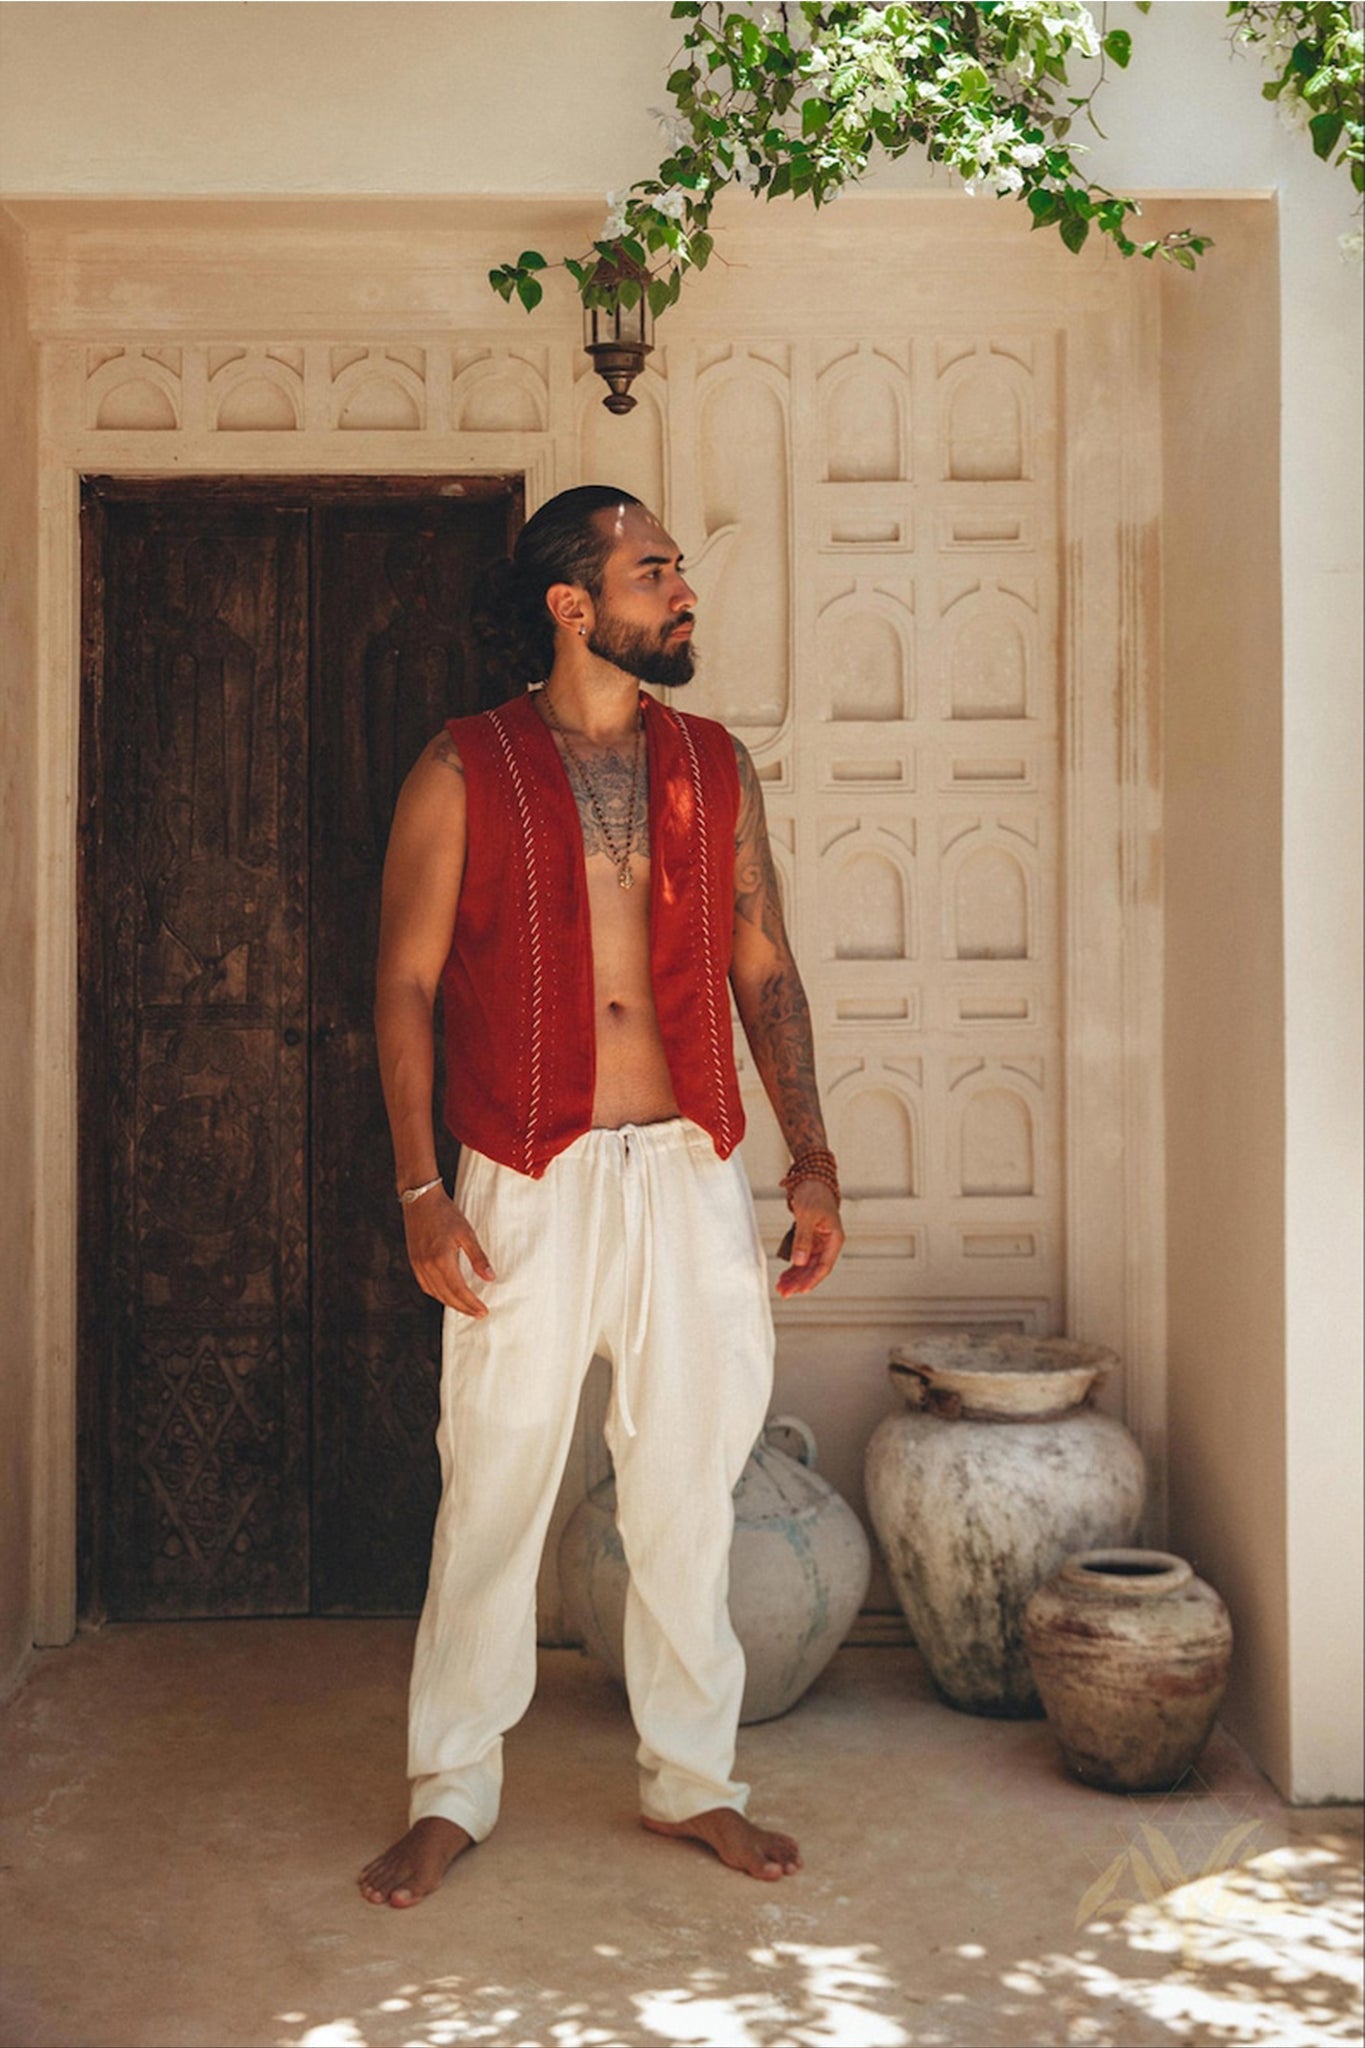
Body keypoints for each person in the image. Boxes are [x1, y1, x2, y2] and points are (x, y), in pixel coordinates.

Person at [359, 485, 844, 1909]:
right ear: (574, 606)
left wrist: (806, 1159)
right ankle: (450, 1789)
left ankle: (692, 1784)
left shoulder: (712, 762)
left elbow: (764, 965)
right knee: (496, 1488)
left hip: (691, 1169)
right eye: (653, 573)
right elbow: (401, 982)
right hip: (524, 1171)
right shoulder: (466, 767)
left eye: (679, 570)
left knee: (688, 1489)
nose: (680, 593)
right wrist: (417, 1191)